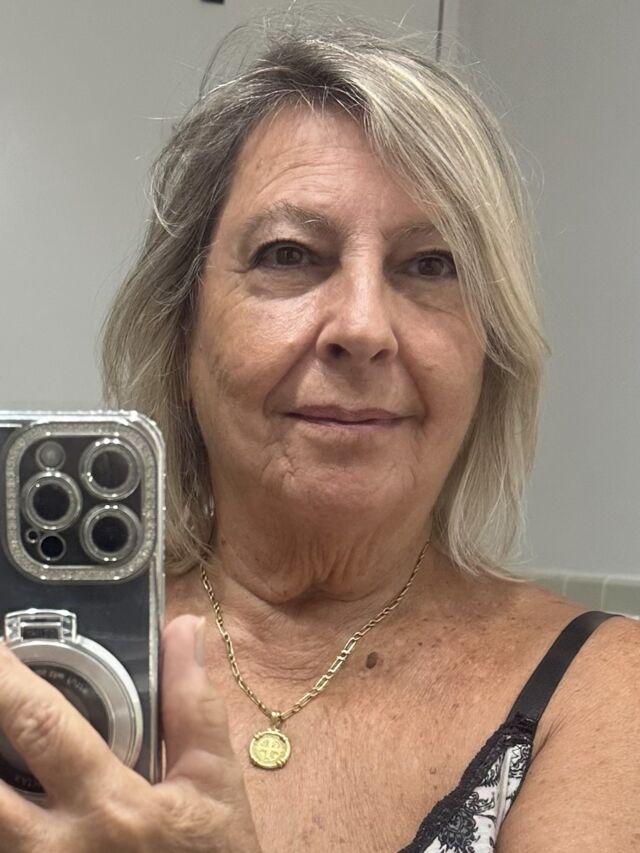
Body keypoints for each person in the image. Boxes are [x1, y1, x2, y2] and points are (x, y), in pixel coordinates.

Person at [0, 10, 638, 853]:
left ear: (489, 348)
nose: (364, 327)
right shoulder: (32, 675)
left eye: (430, 264)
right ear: (184, 325)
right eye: (290, 254)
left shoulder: (606, 692)